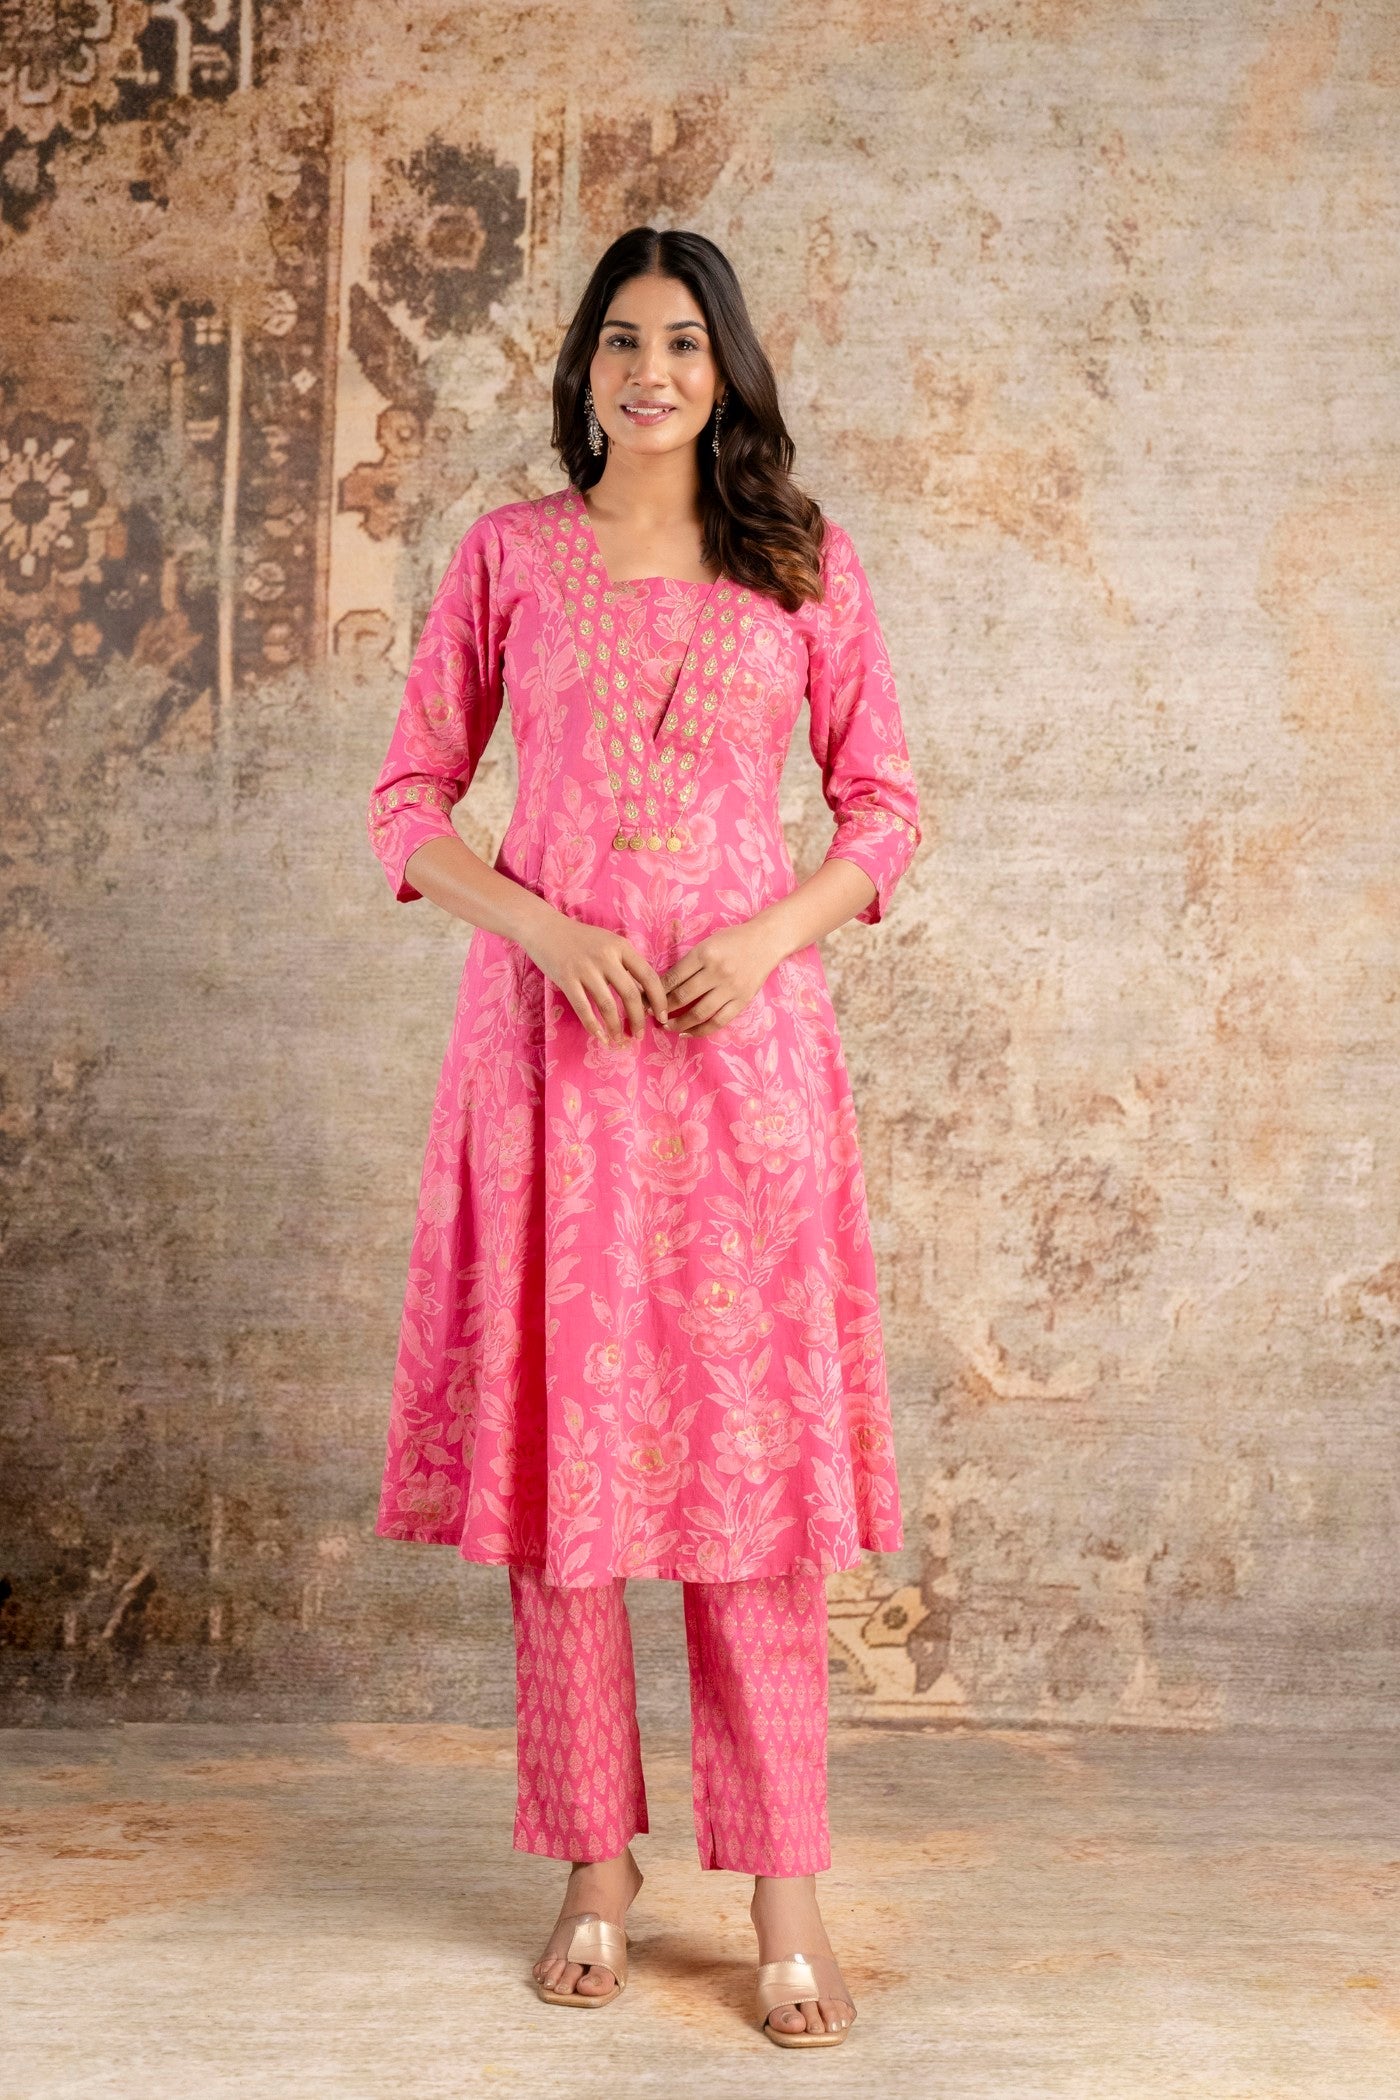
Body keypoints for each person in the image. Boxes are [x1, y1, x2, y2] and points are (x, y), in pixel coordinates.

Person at [366, 225, 922, 2047]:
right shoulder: (511, 559)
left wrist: (767, 932)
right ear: (586, 368)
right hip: (554, 1079)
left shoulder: (802, 563)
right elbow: (410, 800)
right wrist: (544, 925)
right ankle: (594, 1872)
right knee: (572, 1487)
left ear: (728, 364)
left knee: (752, 1494)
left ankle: (784, 1898)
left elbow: (886, 808)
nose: (653, 371)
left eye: (686, 341)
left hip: (746, 1082)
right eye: (623, 341)